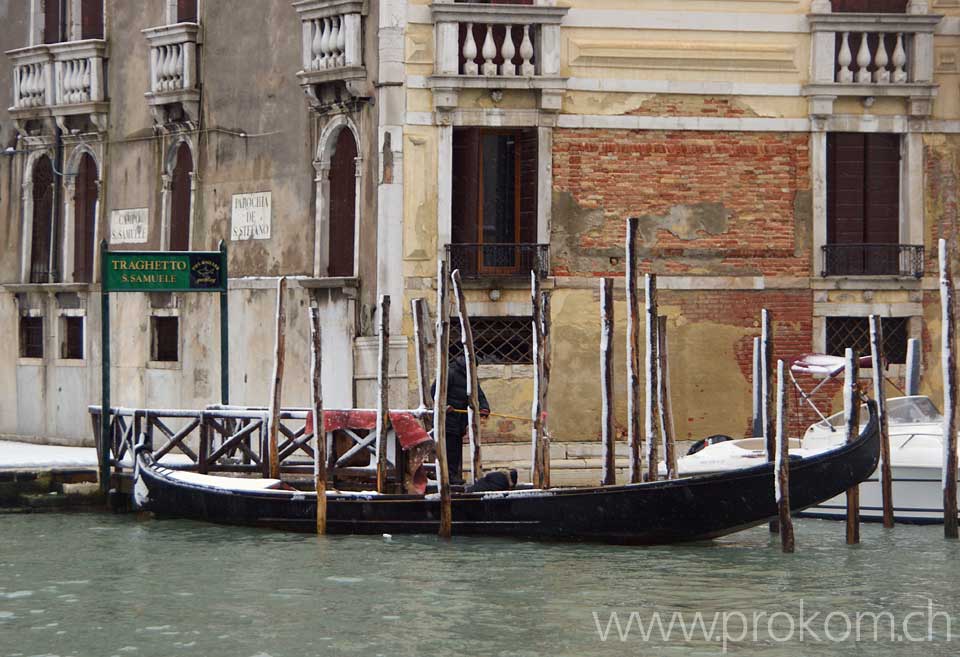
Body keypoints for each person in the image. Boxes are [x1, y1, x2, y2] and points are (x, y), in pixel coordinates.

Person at [431, 355, 490, 484]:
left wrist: (484, 408)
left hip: (459, 421)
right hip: (446, 419)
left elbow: (478, 394)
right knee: (448, 449)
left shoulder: (471, 377)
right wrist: (444, 405)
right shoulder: (449, 372)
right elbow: (435, 391)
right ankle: (447, 477)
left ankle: (452, 476)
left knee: (455, 450)